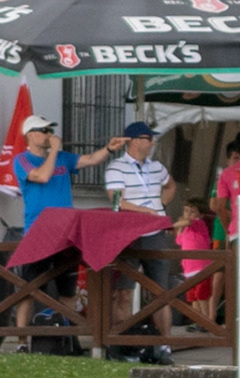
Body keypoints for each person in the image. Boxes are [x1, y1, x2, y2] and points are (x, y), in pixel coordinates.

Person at [13, 114, 123, 328]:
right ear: (31, 135)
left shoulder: (63, 157)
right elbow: (42, 176)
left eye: (50, 130)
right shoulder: (22, 160)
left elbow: (90, 160)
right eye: (44, 131)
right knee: (29, 290)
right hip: (38, 232)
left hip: (65, 233)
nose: (49, 135)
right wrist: (53, 151)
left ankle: (66, 336)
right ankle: (22, 340)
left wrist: (109, 149)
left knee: (67, 288)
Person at [103, 121, 180, 350]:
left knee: (161, 292)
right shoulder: (116, 167)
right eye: (149, 138)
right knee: (124, 291)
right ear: (135, 141)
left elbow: (171, 186)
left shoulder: (157, 167)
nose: (153, 142)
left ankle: (165, 345)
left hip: (155, 233)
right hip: (128, 233)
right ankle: (123, 344)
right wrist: (145, 210)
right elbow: (116, 201)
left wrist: (161, 206)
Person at [174, 196, 218, 317]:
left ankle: (207, 321)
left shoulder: (199, 223)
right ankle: (198, 320)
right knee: (193, 297)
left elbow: (188, 221)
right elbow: (179, 241)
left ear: (201, 215)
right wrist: (180, 227)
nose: (188, 214)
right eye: (186, 210)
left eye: (192, 211)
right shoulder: (186, 229)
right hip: (189, 269)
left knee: (202, 296)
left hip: (201, 268)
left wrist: (174, 224)